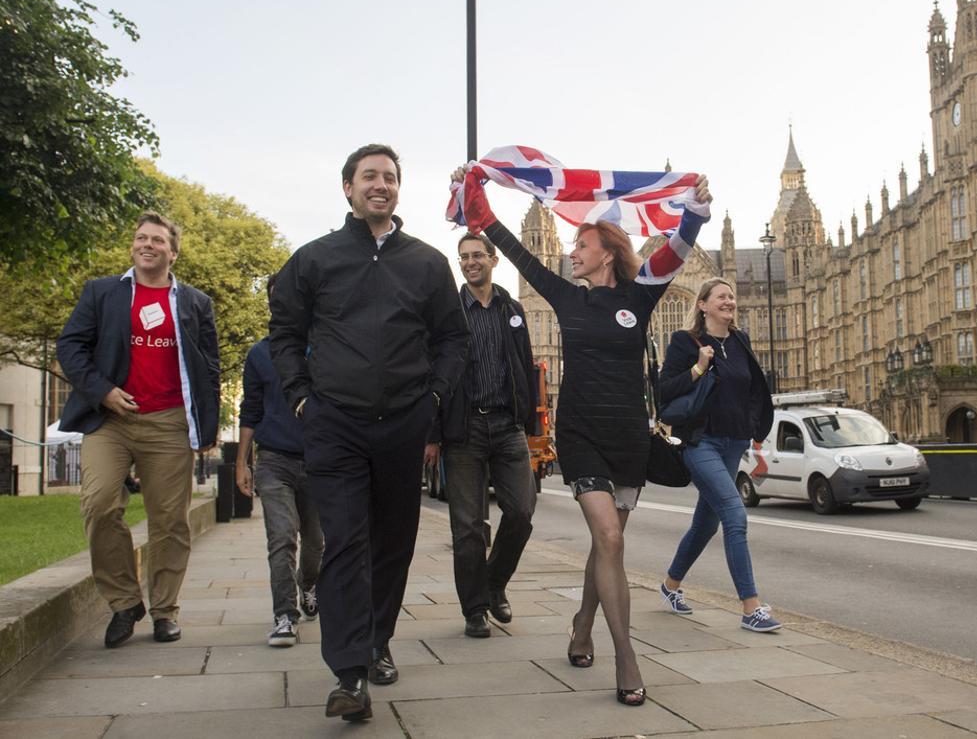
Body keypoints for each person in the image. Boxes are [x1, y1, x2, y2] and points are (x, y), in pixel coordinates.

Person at [453, 163, 711, 706]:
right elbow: (515, 251)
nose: (572, 252)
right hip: (580, 431)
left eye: (582, 244)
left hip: (627, 437)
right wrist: (476, 198)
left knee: (606, 544)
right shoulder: (567, 296)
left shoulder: (640, 297)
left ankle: (583, 622)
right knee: (611, 539)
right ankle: (626, 655)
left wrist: (695, 211)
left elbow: (676, 252)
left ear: (608, 253)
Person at [270, 144, 469, 722]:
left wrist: (433, 396)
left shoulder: (429, 263)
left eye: (389, 177)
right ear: (348, 189)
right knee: (346, 543)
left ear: (399, 190)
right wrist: (303, 398)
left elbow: (451, 339)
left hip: (404, 423)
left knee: (393, 543)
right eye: (369, 177)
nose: (380, 185)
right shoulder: (313, 259)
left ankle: (378, 638)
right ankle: (350, 673)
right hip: (335, 425)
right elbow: (284, 333)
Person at [57, 212, 220, 648]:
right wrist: (102, 391)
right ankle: (124, 602)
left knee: (169, 520)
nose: (147, 245)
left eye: (157, 240)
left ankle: (165, 610)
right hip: (110, 419)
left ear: (173, 251)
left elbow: (209, 367)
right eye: (140, 238)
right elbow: (70, 346)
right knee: (99, 504)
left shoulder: (195, 303)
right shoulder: (103, 293)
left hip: (168, 421)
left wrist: (206, 425)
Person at [428, 232, 538, 639]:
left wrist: (531, 423)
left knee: (522, 513)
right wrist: (433, 433)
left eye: (478, 255)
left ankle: (494, 583)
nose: (470, 262)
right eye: (464, 257)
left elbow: (525, 365)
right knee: (468, 526)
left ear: (494, 261)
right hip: (464, 428)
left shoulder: (513, 308)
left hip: (507, 426)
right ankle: (474, 609)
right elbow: (433, 372)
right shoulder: (448, 311)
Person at [656, 277, 780, 632]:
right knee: (734, 515)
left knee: (705, 523)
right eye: (722, 297)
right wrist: (698, 368)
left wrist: (752, 427)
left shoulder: (740, 340)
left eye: (732, 297)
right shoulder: (685, 342)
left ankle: (670, 586)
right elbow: (664, 390)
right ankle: (750, 608)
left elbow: (754, 387)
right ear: (703, 305)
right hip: (700, 443)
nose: (730, 301)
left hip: (734, 442)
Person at [236, 273, 324, 648]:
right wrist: (242, 462)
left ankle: (309, 585)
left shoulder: (323, 348)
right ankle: (284, 616)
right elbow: (250, 410)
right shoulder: (259, 354)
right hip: (274, 461)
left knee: (316, 542)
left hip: (319, 459)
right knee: (282, 537)